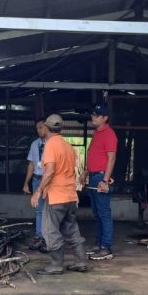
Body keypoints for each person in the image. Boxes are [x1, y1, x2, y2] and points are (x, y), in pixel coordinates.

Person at [30, 114, 88, 275]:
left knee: (50, 230)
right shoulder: (68, 146)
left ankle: (56, 264)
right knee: (71, 229)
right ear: (61, 128)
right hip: (71, 196)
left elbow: (49, 171)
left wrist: (38, 191)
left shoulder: (50, 145)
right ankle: (81, 261)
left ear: (47, 127)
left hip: (56, 196)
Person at [84, 102, 117, 260]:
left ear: (105, 118)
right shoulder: (97, 133)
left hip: (100, 177)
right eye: (92, 115)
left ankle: (106, 247)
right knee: (97, 213)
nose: (93, 118)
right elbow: (92, 153)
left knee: (104, 213)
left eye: (96, 116)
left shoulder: (109, 134)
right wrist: (85, 172)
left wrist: (105, 180)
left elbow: (111, 158)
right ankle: (99, 243)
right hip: (93, 175)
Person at [22, 118, 49, 251]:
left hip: (49, 181)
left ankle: (48, 239)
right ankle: (39, 238)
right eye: (37, 128)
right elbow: (32, 164)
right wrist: (26, 183)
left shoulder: (52, 143)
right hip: (37, 179)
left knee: (49, 211)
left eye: (42, 127)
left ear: (47, 127)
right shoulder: (34, 144)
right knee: (39, 211)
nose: (39, 130)